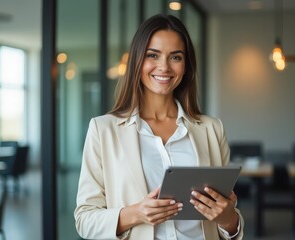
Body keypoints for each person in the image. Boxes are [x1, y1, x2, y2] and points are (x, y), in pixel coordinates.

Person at [74, 14, 244, 240]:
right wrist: (135, 214)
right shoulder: (103, 130)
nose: (164, 67)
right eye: (152, 55)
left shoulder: (212, 129)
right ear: (137, 61)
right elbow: (84, 220)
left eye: (175, 57)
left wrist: (228, 219)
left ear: (186, 66)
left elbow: (229, 220)